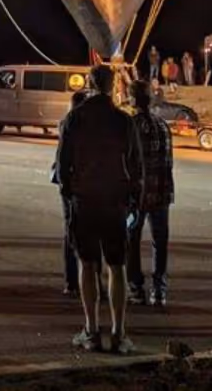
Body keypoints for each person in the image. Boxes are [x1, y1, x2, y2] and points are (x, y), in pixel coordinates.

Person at [55, 64, 141, 354]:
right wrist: (131, 200)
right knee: (117, 267)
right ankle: (119, 333)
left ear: (90, 83)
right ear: (113, 85)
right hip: (114, 201)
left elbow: (62, 163)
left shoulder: (74, 118)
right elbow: (135, 165)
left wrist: (71, 193)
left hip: (84, 199)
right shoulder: (123, 121)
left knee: (87, 264)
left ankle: (91, 330)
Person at [127, 78, 174, 308]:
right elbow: (168, 163)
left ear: (133, 99)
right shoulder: (163, 126)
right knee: (160, 242)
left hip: (138, 195)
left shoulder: (131, 126)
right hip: (162, 193)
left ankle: (136, 289)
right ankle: (159, 291)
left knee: (131, 241)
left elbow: (128, 163)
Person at [50, 88, 90, 295]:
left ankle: (72, 281)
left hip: (70, 183)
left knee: (71, 231)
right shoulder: (79, 124)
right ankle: (80, 280)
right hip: (79, 183)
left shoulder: (67, 122)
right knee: (84, 232)